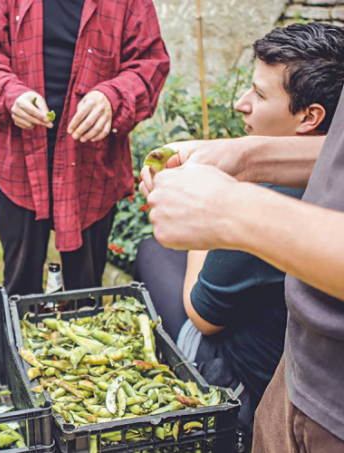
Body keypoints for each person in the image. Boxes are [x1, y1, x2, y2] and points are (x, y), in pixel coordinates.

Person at [134, 23, 344, 439]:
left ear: (311, 116)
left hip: (285, 389)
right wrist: (245, 158)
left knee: (149, 252)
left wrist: (215, 221)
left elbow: (203, 316)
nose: (239, 103)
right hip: (296, 368)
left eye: (259, 94)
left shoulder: (267, 197)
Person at [0, 0, 170, 296]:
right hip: (21, 165)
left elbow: (150, 63)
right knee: (20, 286)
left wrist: (112, 96)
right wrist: (11, 94)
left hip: (92, 169)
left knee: (86, 292)